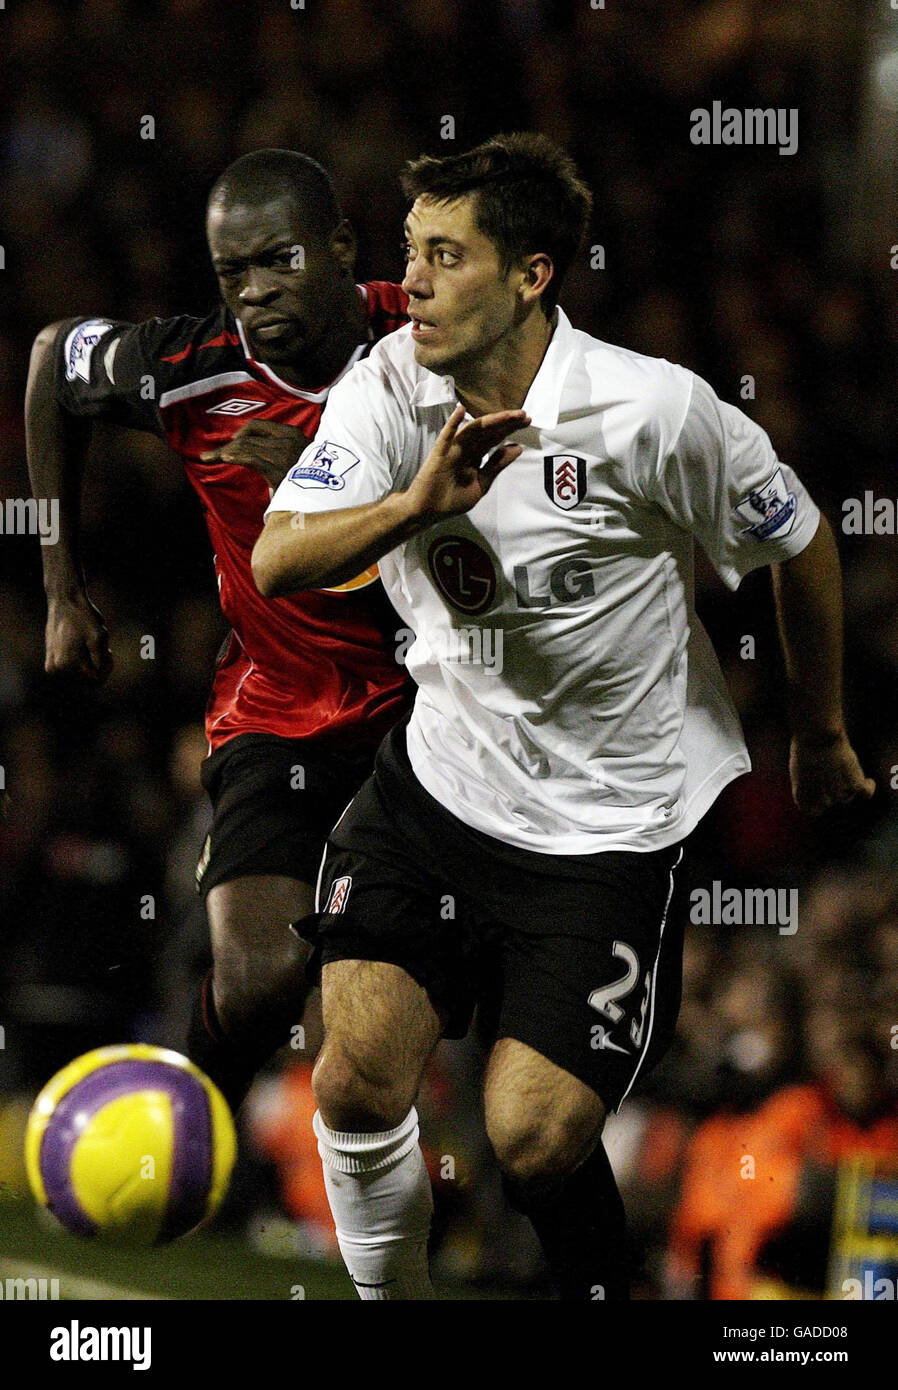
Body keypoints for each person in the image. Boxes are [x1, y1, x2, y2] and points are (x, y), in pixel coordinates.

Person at [252, 131, 874, 1301]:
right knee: (351, 1082)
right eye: (408, 252)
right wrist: (414, 502)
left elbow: (800, 537)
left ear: (533, 274)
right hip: (436, 792)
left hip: (608, 829)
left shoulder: (653, 412)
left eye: (445, 255)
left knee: (531, 1136)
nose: (413, 281)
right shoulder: (388, 386)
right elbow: (282, 555)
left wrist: (820, 727)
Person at [25, 148, 410, 1111]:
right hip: (277, 711)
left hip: (428, 722)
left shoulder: (426, 343)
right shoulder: (193, 368)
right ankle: (179, 1118)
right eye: (232, 271)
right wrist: (61, 589)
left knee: (368, 1033)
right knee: (256, 981)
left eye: (278, 260)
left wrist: (321, 478)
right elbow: (49, 363)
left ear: (339, 247)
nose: (255, 291)